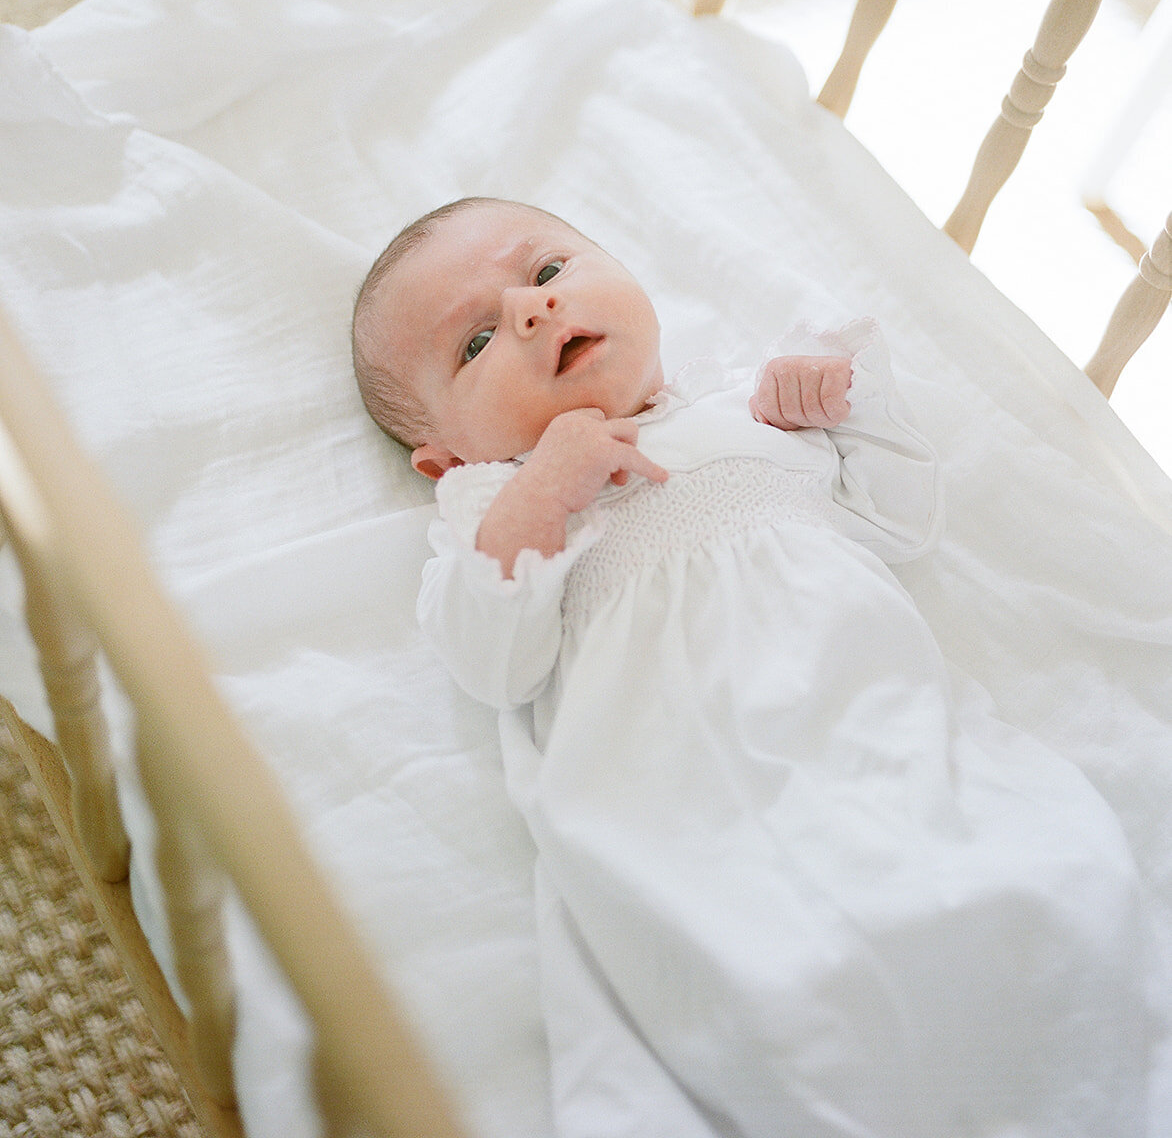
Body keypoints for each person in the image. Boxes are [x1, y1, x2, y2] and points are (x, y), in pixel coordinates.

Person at [352, 196, 1146, 1138]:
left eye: (550, 272)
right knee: (770, 979)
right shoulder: (496, 505)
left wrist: (845, 401)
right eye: (476, 344)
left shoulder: (750, 410)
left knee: (1030, 896)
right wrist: (541, 491)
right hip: (688, 803)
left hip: (873, 735)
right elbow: (491, 662)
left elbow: (899, 516)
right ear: (443, 461)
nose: (529, 311)